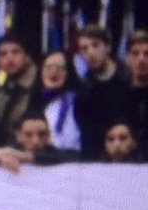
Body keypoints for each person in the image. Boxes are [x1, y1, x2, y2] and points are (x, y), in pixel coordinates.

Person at [75, 24, 130, 160]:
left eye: (95, 45)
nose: (90, 52)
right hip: (99, 159)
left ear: (108, 47)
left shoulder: (129, 78)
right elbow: (85, 131)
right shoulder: (84, 89)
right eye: (84, 48)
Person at [0, 111, 78, 173]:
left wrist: (26, 157)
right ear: (18, 136)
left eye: (42, 134)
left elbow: (78, 159)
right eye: (28, 135)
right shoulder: (7, 155)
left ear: (49, 135)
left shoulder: (59, 155)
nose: (36, 141)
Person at [0, 33, 40, 140]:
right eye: (3, 54)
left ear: (27, 56)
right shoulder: (0, 86)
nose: (9, 58)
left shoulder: (40, 83)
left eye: (15, 52)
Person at [33, 50, 82, 153]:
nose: (53, 72)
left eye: (60, 67)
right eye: (48, 67)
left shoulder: (79, 102)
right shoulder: (33, 101)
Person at [124, 30, 148, 159]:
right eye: (135, 53)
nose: (141, 59)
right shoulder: (117, 94)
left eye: (147, 54)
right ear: (127, 58)